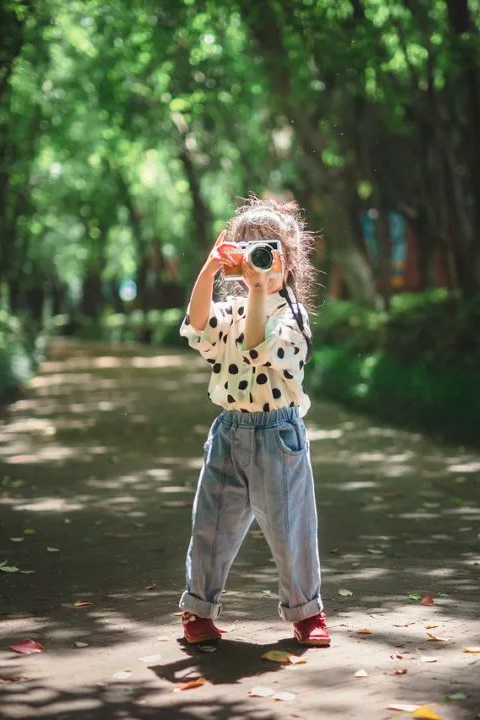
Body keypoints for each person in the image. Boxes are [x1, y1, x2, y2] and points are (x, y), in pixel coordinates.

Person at [176, 195, 329, 648]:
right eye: (250, 250)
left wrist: (262, 288)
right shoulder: (232, 311)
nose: (260, 259)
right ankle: (198, 608)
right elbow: (198, 326)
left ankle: (307, 612)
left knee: (291, 529)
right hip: (229, 432)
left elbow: (260, 343)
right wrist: (208, 271)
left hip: (279, 435)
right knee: (211, 524)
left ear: (290, 258)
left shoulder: (294, 316)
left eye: (270, 249)